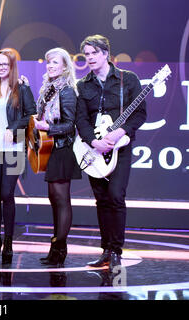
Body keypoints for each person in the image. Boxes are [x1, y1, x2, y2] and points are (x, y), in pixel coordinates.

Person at [75, 35, 146, 269]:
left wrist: (120, 132)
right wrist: (93, 142)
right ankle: (105, 251)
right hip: (94, 150)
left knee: (116, 196)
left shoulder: (128, 80)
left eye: (94, 53)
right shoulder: (83, 85)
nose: (90, 58)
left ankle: (116, 250)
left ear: (106, 53)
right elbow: (81, 119)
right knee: (101, 200)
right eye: (87, 54)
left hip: (120, 148)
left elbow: (140, 114)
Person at [0, 49, 35, 264]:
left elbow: (30, 114)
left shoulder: (21, 88)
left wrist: (13, 128)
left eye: (5, 64)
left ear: (12, 66)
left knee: (7, 194)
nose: (1, 67)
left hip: (13, 148)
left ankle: (8, 242)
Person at [33, 47, 82, 267]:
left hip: (63, 149)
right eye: (48, 62)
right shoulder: (48, 88)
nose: (50, 66)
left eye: (55, 63)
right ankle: (56, 247)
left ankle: (60, 248)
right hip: (51, 149)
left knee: (62, 201)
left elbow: (70, 125)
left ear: (65, 66)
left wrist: (47, 127)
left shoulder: (68, 90)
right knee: (54, 200)